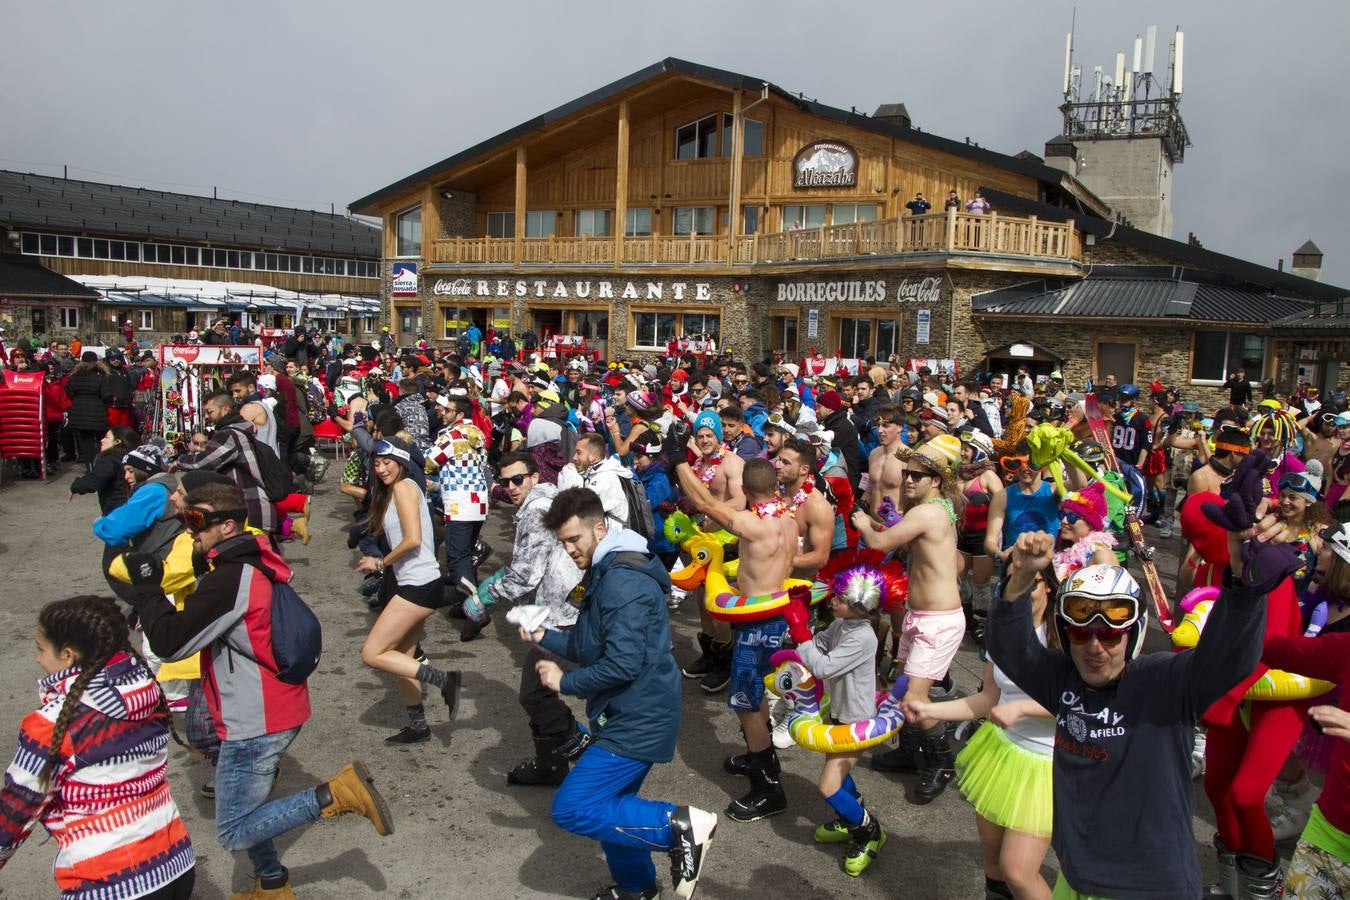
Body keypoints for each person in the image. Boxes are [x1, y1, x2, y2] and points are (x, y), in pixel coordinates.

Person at [987, 450, 1295, 899]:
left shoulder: (1165, 684)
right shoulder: (1065, 681)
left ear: (1132, 637)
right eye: (1081, 634)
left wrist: (1244, 586)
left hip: (1153, 888)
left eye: (1111, 636)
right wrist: (1018, 581)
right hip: (1077, 880)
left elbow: (1229, 660)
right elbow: (1010, 649)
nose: (1095, 647)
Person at [124, 481, 394, 900]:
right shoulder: (250, 560)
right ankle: (272, 884)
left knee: (233, 830)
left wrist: (147, 588)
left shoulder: (231, 578)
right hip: (268, 705)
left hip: (257, 717)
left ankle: (336, 793)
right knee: (250, 814)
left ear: (228, 526)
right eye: (184, 518)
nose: (188, 528)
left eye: (196, 520)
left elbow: (170, 641)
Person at [523, 486, 718, 900]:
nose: (570, 550)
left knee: (573, 807)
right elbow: (593, 645)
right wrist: (544, 636)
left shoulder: (622, 581)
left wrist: (565, 683)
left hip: (640, 717)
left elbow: (622, 665)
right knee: (610, 807)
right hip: (624, 713)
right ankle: (637, 889)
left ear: (600, 527)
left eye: (574, 539)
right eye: (563, 542)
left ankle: (679, 826)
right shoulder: (606, 569)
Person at [0, 596, 196, 899]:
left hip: (110, 884)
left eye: (41, 648)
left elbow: (15, 812)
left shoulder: (54, 725)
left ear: (67, 655)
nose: (38, 659)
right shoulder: (144, 690)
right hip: (175, 866)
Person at [672, 439, 798, 822]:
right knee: (754, 694)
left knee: (744, 702)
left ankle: (768, 788)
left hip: (759, 623)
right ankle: (757, 755)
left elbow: (706, 506)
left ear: (746, 490)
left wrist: (679, 463)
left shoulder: (752, 525)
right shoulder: (789, 521)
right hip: (773, 616)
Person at [911, 569, 1057, 900]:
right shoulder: (1003, 636)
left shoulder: (1063, 636)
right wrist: (928, 709)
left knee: (1018, 872)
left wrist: (1022, 709)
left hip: (1046, 766)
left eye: (1029, 586)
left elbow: (1081, 704)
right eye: (1012, 586)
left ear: (1047, 584)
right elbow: (986, 699)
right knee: (992, 863)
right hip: (1000, 755)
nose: (1020, 594)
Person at [851, 435, 965, 802]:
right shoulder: (939, 507)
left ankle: (941, 762)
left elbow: (880, 543)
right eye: (908, 473)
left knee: (914, 699)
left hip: (938, 621)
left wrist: (862, 521)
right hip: (924, 616)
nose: (909, 480)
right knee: (902, 685)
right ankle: (909, 750)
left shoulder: (927, 512)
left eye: (919, 475)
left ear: (937, 480)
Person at [465, 453, 588, 785]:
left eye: (517, 479)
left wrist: (484, 597)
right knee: (542, 689)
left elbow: (525, 574)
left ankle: (582, 751)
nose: (511, 487)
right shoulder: (548, 500)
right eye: (505, 482)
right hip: (566, 606)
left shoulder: (536, 512)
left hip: (559, 613)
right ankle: (552, 764)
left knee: (535, 693)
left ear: (534, 476)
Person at [355, 438, 462, 744]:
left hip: (419, 584)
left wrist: (380, 564)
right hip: (415, 582)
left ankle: (444, 680)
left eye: (387, 462)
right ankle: (418, 725)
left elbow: (413, 539)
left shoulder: (404, 487)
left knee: (373, 653)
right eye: (376, 463)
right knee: (404, 655)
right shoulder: (394, 491)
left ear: (401, 462)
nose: (381, 468)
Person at [781, 573, 888, 876]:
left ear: (859, 606)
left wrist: (800, 630)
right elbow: (817, 645)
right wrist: (804, 618)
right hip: (841, 713)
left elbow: (822, 666)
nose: (833, 602)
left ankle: (869, 831)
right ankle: (849, 814)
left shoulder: (863, 636)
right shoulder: (843, 624)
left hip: (857, 721)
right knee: (839, 779)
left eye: (840, 600)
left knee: (828, 786)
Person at [679, 410, 747, 692]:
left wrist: (711, 513)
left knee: (718, 604)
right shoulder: (699, 465)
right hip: (701, 542)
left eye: (710, 435)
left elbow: (741, 500)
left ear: (719, 436)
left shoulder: (732, 463)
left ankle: (726, 661)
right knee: (701, 601)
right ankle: (710, 654)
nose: (705, 440)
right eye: (700, 435)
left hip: (726, 542)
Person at [427, 394, 491, 629]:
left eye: (448, 410)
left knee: (457, 560)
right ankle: (466, 607)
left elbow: (429, 461)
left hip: (459, 503)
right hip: (478, 501)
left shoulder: (452, 435)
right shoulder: (477, 433)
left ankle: (476, 609)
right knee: (464, 556)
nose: (442, 413)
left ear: (459, 414)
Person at [174, 392, 278, 534]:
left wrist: (177, 461)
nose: (206, 416)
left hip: (250, 509)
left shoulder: (229, 434)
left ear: (225, 409)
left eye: (210, 412)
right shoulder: (238, 431)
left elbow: (202, 463)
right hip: (252, 507)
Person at [63, 351, 110, 468]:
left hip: (80, 412)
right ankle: (101, 465)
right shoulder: (101, 375)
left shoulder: (74, 375)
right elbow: (106, 394)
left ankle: (89, 466)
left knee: (86, 441)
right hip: (97, 411)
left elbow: (70, 393)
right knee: (101, 440)